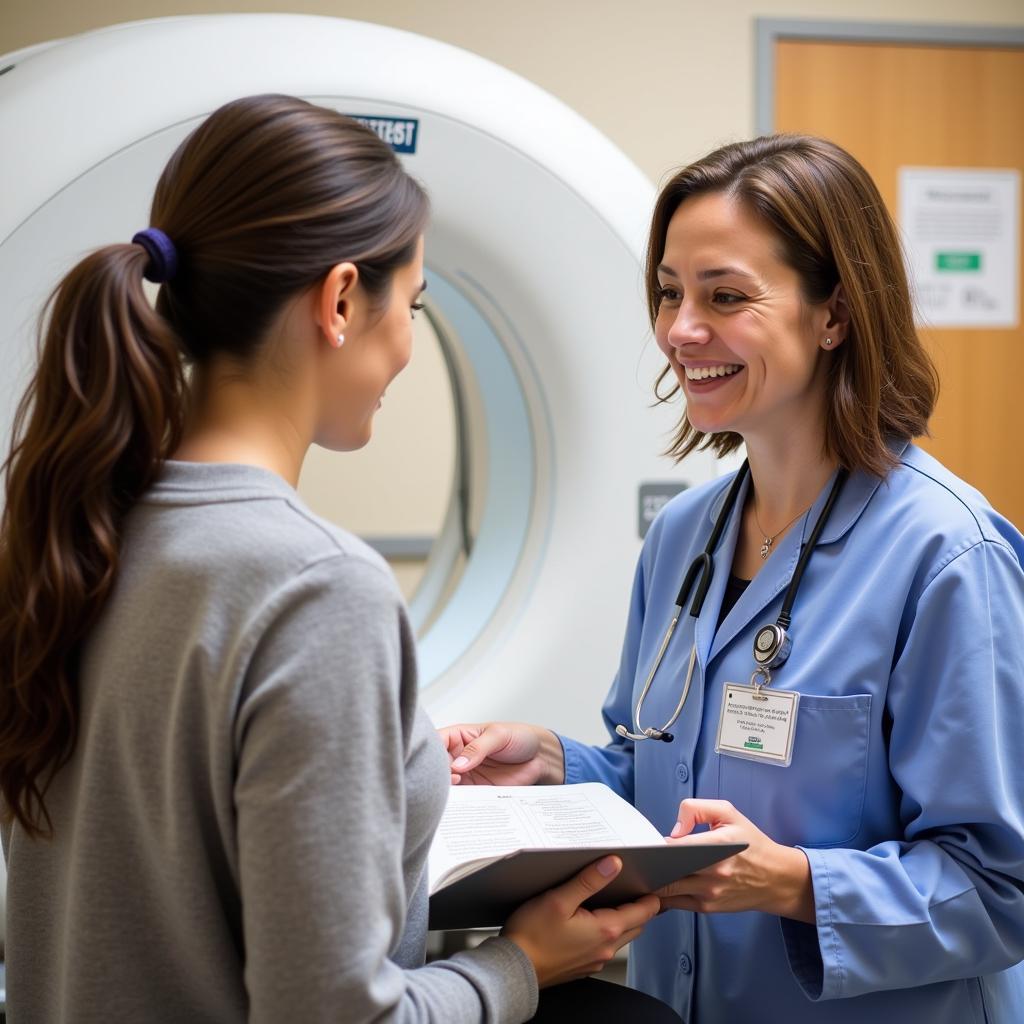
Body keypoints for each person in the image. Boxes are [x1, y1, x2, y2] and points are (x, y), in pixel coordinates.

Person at [0, 94, 668, 1023]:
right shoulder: (317, 590)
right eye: (416, 306)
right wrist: (518, 965)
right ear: (343, 300)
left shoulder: (79, 529)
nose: (406, 346)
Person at [441, 134, 1024, 1022]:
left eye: (726, 297)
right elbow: (662, 775)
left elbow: (1000, 886)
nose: (681, 329)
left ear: (833, 315)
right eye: (671, 292)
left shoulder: (948, 558)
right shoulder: (684, 539)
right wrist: (558, 764)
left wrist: (793, 884)